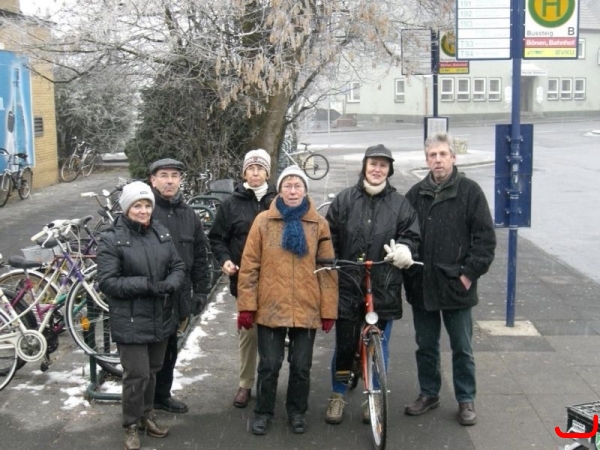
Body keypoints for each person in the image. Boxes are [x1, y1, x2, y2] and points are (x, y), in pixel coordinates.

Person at [237, 165, 338, 436]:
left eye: (298, 186)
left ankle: (296, 411)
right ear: (279, 190)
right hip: (271, 304)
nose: (292, 191)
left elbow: (328, 270)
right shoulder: (263, 222)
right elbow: (249, 266)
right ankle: (264, 412)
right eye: (287, 186)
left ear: (305, 190)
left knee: (302, 366)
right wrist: (247, 306)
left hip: (306, 305)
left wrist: (328, 309)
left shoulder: (319, 223)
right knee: (269, 364)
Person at [403, 132, 496, 426]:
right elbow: (404, 234)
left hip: (457, 284)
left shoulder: (470, 192)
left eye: (443, 154)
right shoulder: (415, 195)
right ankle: (429, 393)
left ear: (453, 158)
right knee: (426, 345)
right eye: (433, 155)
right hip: (423, 284)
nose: (438, 160)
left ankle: (466, 398)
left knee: (462, 347)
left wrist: (469, 274)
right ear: (426, 159)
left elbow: (485, 239)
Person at [324, 144, 420, 425]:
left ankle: (374, 395)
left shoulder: (400, 204)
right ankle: (338, 394)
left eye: (383, 165)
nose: (377, 169)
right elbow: (330, 236)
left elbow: (411, 234)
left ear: (389, 170)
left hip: (384, 284)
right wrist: (332, 261)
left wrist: (404, 248)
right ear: (364, 166)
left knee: (380, 345)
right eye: (373, 164)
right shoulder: (344, 200)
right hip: (349, 283)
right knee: (344, 345)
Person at [96, 181, 186, 450]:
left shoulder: (160, 232)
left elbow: (178, 264)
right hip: (131, 319)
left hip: (160, 316)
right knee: (136, 375)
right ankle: (130, 425)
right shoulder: (112, 239)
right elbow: (108, 282)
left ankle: (147, 415)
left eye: (147, 205)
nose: (144, 210)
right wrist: (146, 285)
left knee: (153, 370)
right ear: (127, 208)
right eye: (138, 205)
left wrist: (172, 282)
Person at [208, 149, 277, 409]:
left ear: (267, 173)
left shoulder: (277, 200)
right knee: (248, 334)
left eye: (260, 168)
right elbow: (217, 238)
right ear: (244, 172)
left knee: (273, 333)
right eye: (251, 168)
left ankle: (270, 382)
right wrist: (225, 259)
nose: (255, 172)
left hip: (275, 281)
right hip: (244, 280)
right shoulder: (231, 204)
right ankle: (245, 383)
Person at [148, 158, 211, 414]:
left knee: (171, 348)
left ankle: (162, 395)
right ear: (153, 180)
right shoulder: (145, 211)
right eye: (164, 175)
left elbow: (199, 254)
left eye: (175, 175)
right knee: (149, 353)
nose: (170, 180)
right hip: (150, 294)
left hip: (179, 295)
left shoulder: (189, 215)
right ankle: (144, 403)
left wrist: (202, 290)